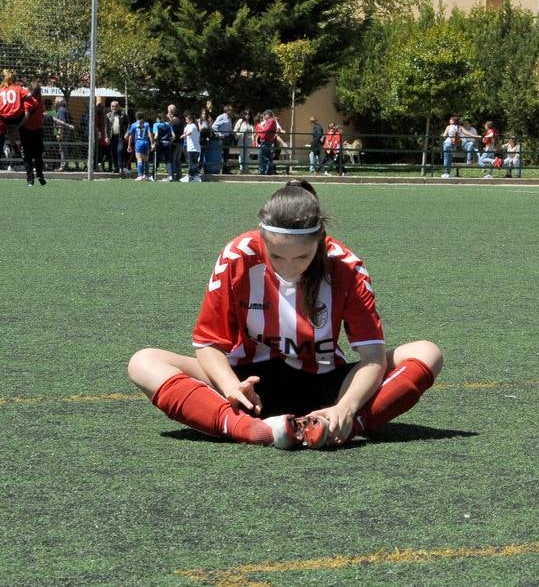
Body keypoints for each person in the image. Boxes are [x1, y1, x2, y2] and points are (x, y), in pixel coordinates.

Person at [126, 179, 443, 448]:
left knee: (427, 353)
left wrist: (346, 406)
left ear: (320, 242)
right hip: (251, 386)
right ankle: (252, 429)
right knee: (144, 362)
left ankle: (338, 424)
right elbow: (209, 345)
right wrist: (231, 387)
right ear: (261, 237)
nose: (289, 268)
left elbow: (372, 356)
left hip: (324, 385)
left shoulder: (346, 265)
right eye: (276, 256)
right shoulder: (238, 256)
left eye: (302, 257)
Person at [0, 72, 47, 187]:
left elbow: (26, 115)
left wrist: (18, 126)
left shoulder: (1, 89)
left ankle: (29, 178)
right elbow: (30, 97)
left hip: (11, 120)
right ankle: (40, 175)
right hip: (31, 126)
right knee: (38, 155)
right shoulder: (22, 91)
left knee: (26, 154)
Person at [126, 111, 153, 181]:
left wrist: (129, 145)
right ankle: (146, 175)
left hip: (139, 143)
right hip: (146, 142)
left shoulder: (134, 125)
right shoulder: (147, 124)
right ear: (143, 117)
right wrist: (152, 143)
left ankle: (140, 175)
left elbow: (130, 136)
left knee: (139, 159)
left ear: (136, 117)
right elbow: (150, 134)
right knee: (146, 160)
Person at [106, 99, 129, 176]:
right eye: (112, 106)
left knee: (120, 150)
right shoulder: (108, 115)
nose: (114, 108)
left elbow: (128, 125)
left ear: (118, 106)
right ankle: (115, 167)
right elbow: (106, 127)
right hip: (112, 137)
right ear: (110, 107)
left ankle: (120, 167)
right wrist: (106, 137)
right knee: (113, 152)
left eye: (116, 106)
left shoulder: (123, 114)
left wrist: (127, 133)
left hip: (120, 136)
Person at [153, 113, 179, 182]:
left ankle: (153, 176)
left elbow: (156, 136)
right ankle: (170, 176)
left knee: (156, 160)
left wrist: (154, 143)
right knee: (168, 160)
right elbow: (174, 136)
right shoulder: (169, 125)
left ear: (159, 119)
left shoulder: (156, 125)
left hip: (159, 144)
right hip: (167, 144)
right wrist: (170, 142)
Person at [255, 109, 280, 176]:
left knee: (261, 156)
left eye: (265, 114)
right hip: (267, 141)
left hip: (266, 141)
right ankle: (268, 171)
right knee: (268, 157)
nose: (264, 116)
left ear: (268, 114)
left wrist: (262, 128)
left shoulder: (271, 120)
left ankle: (262, 171)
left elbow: (266, 130)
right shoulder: (270, 121)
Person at [180, 112, 203, 183]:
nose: (186, 120)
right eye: (185, 119)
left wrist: (183, 136)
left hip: (194, 148)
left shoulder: (193, 126)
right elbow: (185, 131)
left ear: (191, 120)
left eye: (187, 119)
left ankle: (194, 176)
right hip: (190, 148)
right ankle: (192, 176)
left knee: (193, 163)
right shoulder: (188, 125)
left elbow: (189, 133)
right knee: (192, 163)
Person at [212, 104, 234, 173]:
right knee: (220, 153)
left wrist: (233, 132)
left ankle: (225, 170)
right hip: (222, 138)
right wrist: (219, 134)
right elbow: (214, 126)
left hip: (227, 138)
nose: (232, 112)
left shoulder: (229, 118)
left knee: (226, 154)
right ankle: (218, 169)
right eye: (231, 110)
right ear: (227, 110)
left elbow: (230, 129)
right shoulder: (221, 117)